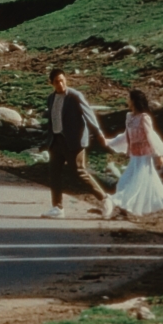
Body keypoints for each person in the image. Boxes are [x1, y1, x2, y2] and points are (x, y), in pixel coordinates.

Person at [42, 68, 114, 219]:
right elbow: (52, 120)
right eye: (57, 82)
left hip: (74, 141)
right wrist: (47, 140)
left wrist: (99, 133)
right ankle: (57, 207)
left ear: (66, 80)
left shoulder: (74, 96)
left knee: (79, 172)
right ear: (51, 83)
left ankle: (105, 199)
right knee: (54, 173)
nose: (60, 84)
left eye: (62, 80)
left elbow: (89, 115)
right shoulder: (51, 98)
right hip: (56, 141)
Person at [106, 89, 163, 220]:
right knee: (127, 183)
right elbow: (125, 136)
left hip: (145, 158)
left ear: (134, 101)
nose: (127, 101)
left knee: (137, 185)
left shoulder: (145, 118)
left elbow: (151, 136)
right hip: (135, 157)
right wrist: (109, 142)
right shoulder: (129, 117)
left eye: (129, 98)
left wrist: (158, 154)